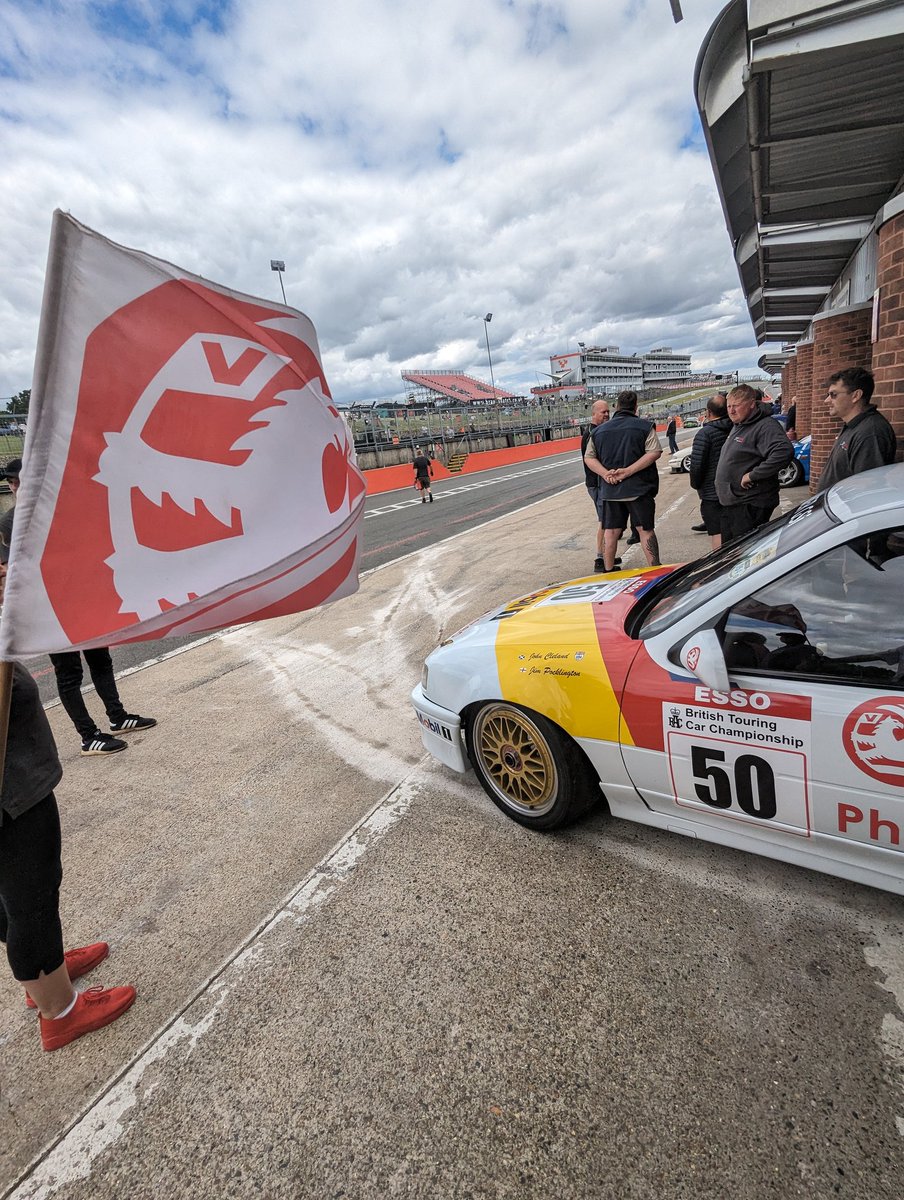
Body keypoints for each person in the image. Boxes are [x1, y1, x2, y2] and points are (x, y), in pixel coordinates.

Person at [0, 562, 137, 1051]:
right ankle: (60, 1011)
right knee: (31, 896)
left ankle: (44, 977)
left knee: (11, 898)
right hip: (11, 793)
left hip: (14, 783)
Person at [0, 459, 156, 756]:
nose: (14, 486)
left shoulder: (55, 514)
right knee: (68, 672)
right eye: (11, 482)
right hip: (48, 608)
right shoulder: (11, 523)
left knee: (100, 659)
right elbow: (11, 572)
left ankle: (118, 716)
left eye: (19, 481)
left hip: (77, 600)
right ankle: (88, 736)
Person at [584, 390, 663, 571]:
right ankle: (655, 568)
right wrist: (628, 471)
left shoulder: (598, 431)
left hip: (610, 490)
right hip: (639, 489)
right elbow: (654, 452)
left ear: (616, 407)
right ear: (635, 407)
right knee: (645, 530)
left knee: (611, 532)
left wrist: (605, 474)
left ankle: (608, 569)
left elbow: (589, 458)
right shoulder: (644, 426)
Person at [715, 384, 794, 543]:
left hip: (749, 504)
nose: (731, 411)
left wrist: (752, 475)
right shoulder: (740, 424)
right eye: (729, 406)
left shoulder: (764, 425)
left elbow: (784, 452)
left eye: (736, 406)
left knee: (743, 554)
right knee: (729, 554)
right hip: (733, 503)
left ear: (752, 404)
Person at [816, 368, 897, 492]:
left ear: (856, 395)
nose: (827, 400)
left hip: (845, 509)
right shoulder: (854, 426)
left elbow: (867, 488)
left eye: (833, 394)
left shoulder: (870, 433)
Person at [581, 400, 620, 573]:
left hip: (598, 482)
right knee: (604, 520)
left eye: (608, 411)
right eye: (602, 412)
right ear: (594, 413)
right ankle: (599, 558)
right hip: (597, 484)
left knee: (606, 519)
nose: (606, 414)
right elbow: (593, 459)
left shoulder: (596, 430)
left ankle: (605, 553)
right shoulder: (593, 433)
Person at [689, 395, 732, 551]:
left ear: (708, 412)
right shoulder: (736, 428)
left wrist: (696, 484)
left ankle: (720, 566)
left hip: (712, 492)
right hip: (734, 488)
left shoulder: (705, 434)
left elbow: (697, 465)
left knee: (717, 533)